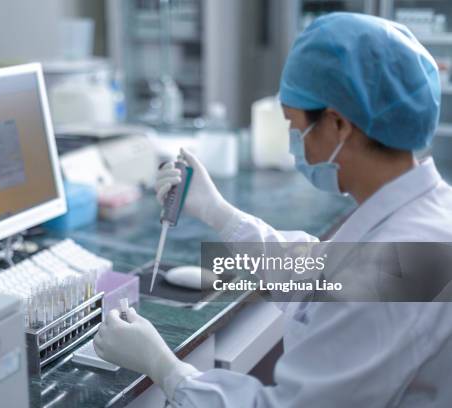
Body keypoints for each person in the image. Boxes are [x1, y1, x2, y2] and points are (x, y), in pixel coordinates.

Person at [94, 12, 452, 407]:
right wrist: (219, 213)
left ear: (337, 125)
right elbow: (321, 276)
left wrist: (165, 368)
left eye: (294, 125)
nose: (292, 143)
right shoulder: (424, 214)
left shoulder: (402, 260)